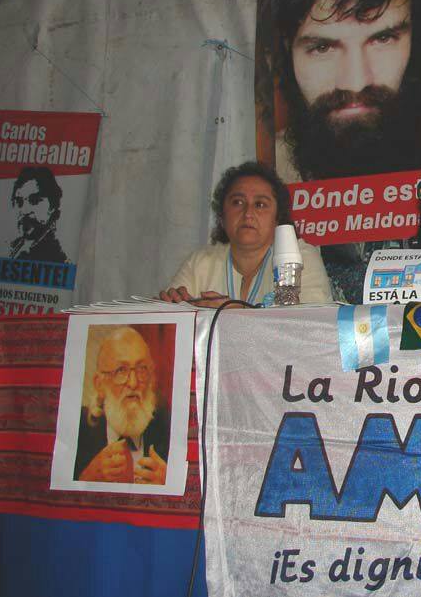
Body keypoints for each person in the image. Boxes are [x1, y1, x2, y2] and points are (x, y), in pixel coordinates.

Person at [264, 0, 421, 182]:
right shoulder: (265, 175)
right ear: (288, 50)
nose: (356, 83)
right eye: (322, 48)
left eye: (383, 39)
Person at [160, 161, 332, 307]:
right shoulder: (200, 263)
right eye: (237, 202)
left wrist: (236, 313)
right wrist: (170, 308)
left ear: (277, 218)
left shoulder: (299, 257)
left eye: (260, 204)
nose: (248, 213)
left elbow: (313, 325)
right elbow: (168, 320)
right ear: (222, 216)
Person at [74, 327, 169, 484]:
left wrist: (168, 483)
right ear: (99, 384)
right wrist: (85, 480)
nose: (133, 383)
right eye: (121, 371)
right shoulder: (77, 430)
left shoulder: (168, 427)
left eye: (142, 369)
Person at [9, 166, 68, 263]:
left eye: (34, 201)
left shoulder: (57, 259)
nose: (24, 211)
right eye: (19, 202)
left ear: (52, 207)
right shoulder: (15, 249)